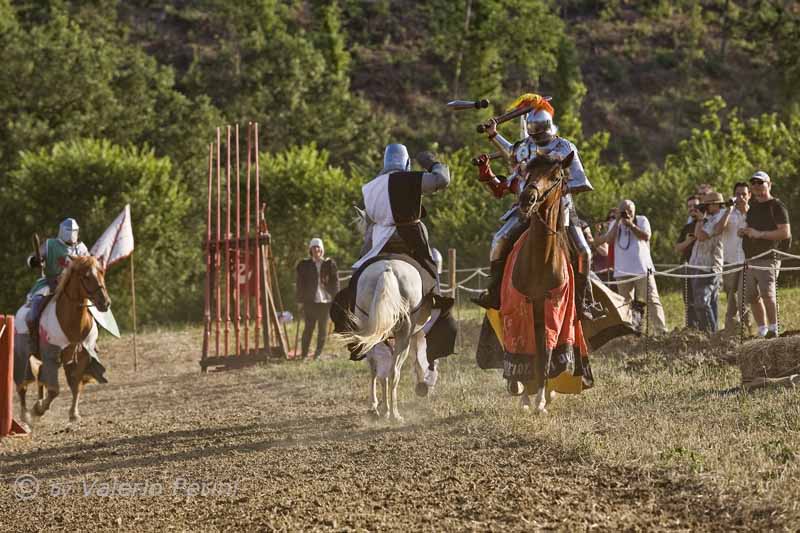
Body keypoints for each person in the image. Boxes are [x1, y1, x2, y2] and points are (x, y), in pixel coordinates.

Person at [471, 94, 599, 319]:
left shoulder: (565, 147)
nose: (537, 138)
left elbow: (582, 181)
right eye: (534, 134)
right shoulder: (523, 147)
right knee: (499, 240)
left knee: (583, 252)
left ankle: (584, 302)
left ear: (548, 128)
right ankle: (493, 292)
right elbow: (511, 153)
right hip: (525, 208)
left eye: (540, 134)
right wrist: (493, 135)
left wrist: (554, 191)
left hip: (559, 209)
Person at [332, 144, 457, 361]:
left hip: (378, 242)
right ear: (406, 162)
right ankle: (437, 311)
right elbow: (442, 180)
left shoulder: (370, 187)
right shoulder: (410, 179)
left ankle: (354, 333)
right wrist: (432, 163)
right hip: (410, 239)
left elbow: (370, 223)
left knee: (356, 281)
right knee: (433, 282)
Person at [594, 200, 667, 335]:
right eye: (623, 211)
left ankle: (661, 330)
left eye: (629, 211)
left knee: (651, 299)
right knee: (625, 303)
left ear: (634, 211)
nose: (627, 214)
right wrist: (617, 221)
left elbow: (646, 236)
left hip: (642, 269)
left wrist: (631, 225)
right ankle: (630, 332)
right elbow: (609, 240)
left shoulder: (642, 220)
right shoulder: (615, 224)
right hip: (622, 271)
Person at [738, 171, 791, 338]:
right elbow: (752, 229)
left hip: (769, 257)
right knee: (752, 295)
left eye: (760, 182)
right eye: (753, 183)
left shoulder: (777, 206)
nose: (756, 186)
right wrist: (745, 232)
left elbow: (785, 233)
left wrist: (759, 234)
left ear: (769, 184)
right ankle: (762, 329)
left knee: (768, 294)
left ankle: (774, 329)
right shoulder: (753, 207)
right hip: (750, 258)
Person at [25, 218, 90, 355]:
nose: (71, 233)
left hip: (75, 288)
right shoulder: (51, 244)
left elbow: (88, 268)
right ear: (62, 231)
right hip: (50, 283)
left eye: (74, 231)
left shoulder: (82, 249)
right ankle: (34, 339)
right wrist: (36, 261)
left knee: (94, 306)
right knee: (35, 308)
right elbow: (31, 258)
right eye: (69, 230)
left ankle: (91, 341)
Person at [688, 192, 728, 333]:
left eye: (707, 205)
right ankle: (713, 333)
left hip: (709, 266)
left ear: (715, 204)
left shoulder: (720, 216)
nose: (705, 208)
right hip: (698, 264)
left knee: (702, 303)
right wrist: (700, 220)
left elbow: (701, 236)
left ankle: (711, 334)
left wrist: (700, 220)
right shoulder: (709, 217)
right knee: (710, 303)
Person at [719, 182, 757, 333]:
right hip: (730, 261)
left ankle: (749, 331)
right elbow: (718, 229)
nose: (741, 197)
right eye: (738, 194)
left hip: (748, 262)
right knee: (731, 300)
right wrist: (728, 209)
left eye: (744, 194)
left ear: (749, 195)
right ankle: (730, 332)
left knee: (743, 297)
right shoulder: (728, 213)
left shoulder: (754, 214)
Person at [295, 238, 338, 359]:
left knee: (322, 330)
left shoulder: (329, 264)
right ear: (310, 250)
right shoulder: (305, 265)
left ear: (322, 249)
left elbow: (335, 283)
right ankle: (304, 354)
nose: (316, 250)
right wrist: (299, 300)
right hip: (310, 301)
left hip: (325, 302)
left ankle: (317, 355)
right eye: (314, 247)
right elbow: (300, 284)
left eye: (318, 247)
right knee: (308, 329)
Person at [674, 195, 701, 329]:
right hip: (686, 266)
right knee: (689, 301)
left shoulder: (708, 223)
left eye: (695, 206)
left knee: (701, 301)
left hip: (702, 268)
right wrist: (688, 241)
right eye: (690, 206)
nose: (692, 209)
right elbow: (677, 247)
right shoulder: (687, 227)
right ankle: (691, 328)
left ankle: (705, 329)